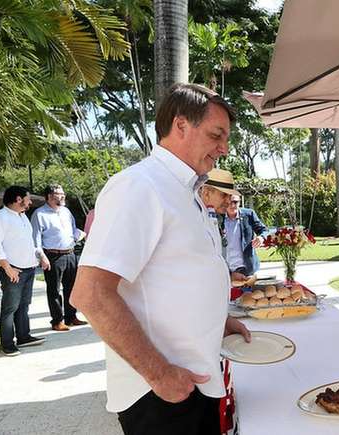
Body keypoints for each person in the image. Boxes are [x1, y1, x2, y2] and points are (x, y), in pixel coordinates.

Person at [70, 83, 251, 435]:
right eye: (216, 135)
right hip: (161, 393)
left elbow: (176, 278)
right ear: (180, 125)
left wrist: (218, 321)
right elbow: (90, 294)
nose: (224, 148)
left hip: (191, 382)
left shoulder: (187, 191)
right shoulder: (140, 186)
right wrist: (159, 374)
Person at [0, 186, 50, 356]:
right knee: (10, 308)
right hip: (12, 270)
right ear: (18, 199)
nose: (30, 202)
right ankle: (8, 344)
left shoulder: (22, 217)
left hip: (28, 269)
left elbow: (28, 243)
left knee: (24, 305)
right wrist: (8, 269)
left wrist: (41, 256)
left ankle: (23, 337)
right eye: (27, 199)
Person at [31, 184, 87, 331]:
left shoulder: (66, 211)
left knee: (71, 287)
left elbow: (73, 230)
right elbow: (35, 239)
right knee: (54, 290)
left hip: (70, 253)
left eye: (63, 194)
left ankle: (71, 317)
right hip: (53, 256)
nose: (63, 197)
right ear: (49, 196)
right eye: (59, 194)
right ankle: (57, 321)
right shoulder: (39, 214)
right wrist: (42, 257)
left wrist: (79, 235)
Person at [222, 194, 267, 282]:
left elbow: (264, 230)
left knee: (250, 291)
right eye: (230, 202)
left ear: (239, 202)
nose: (232, 205)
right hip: (226, 269)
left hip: (246, 269)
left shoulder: (249, 214)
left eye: (235, 202)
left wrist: (261, 237)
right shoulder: (219, 217)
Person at [199, 168, 239, 258]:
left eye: (230, 196)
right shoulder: (193, 219)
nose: (229, 201)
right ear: (206, 193)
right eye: (224, 195)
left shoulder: (217, 217)